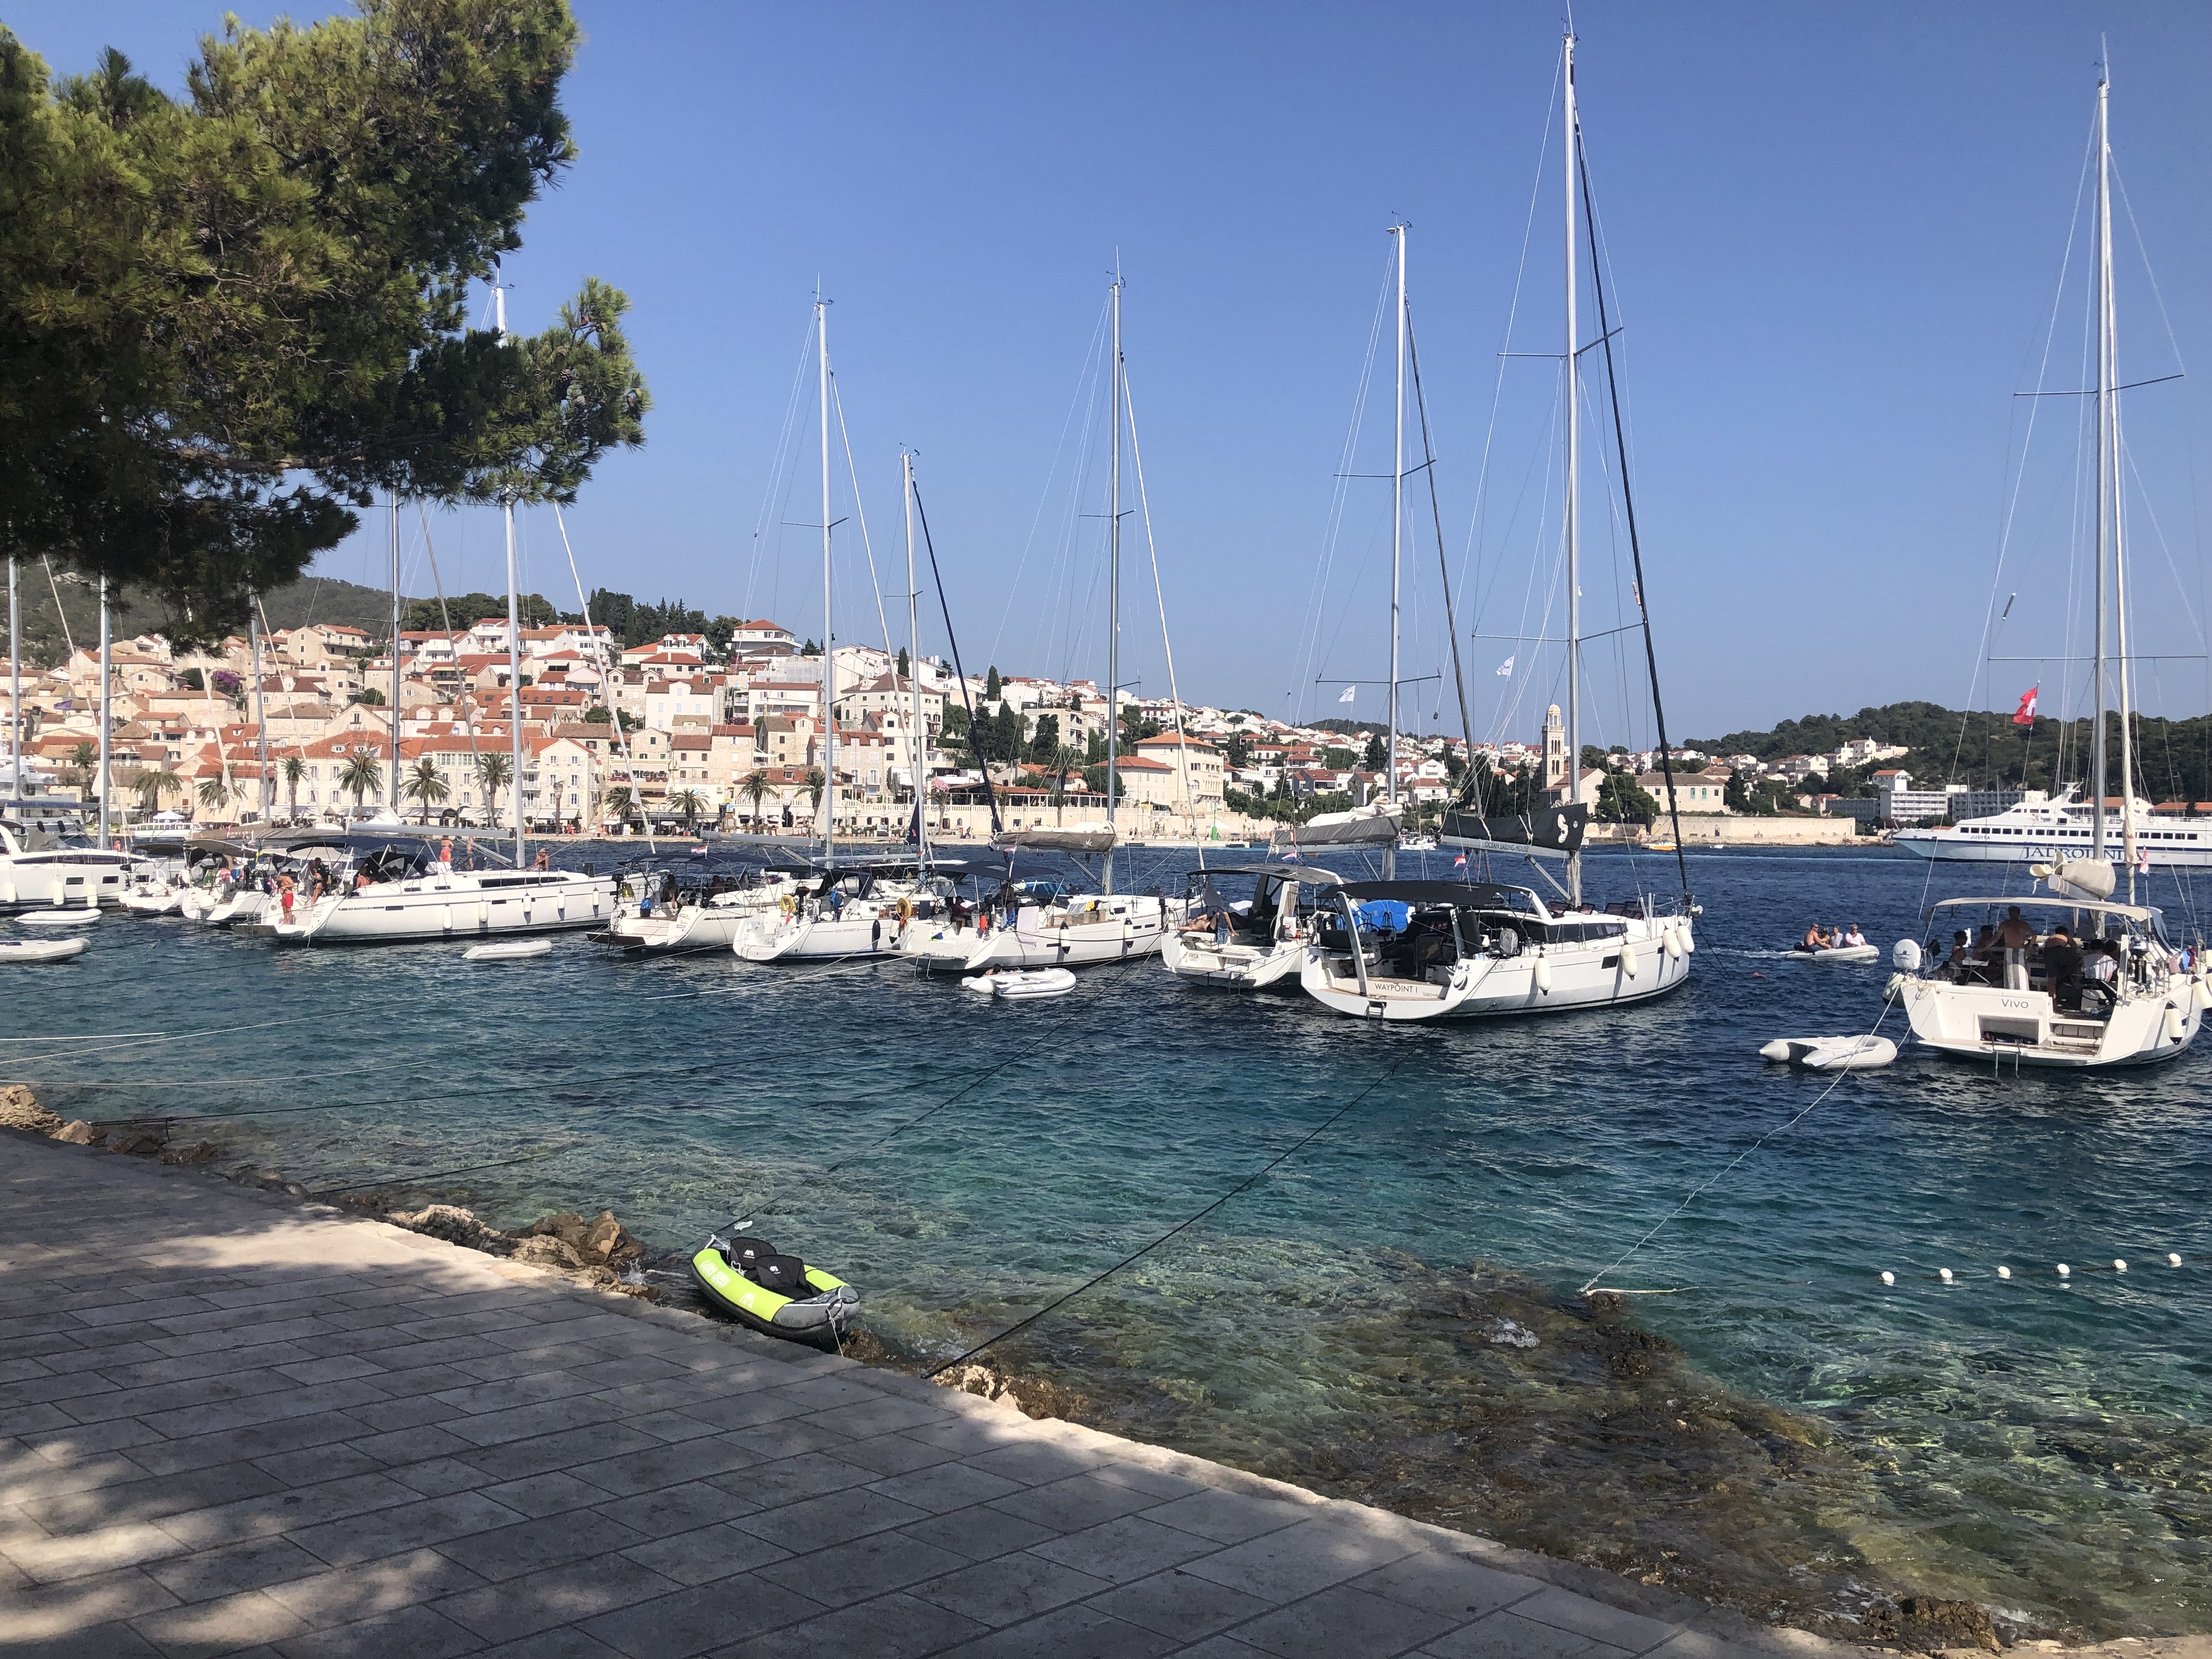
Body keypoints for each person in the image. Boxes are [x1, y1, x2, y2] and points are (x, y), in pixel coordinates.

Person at [2041, 925, 2084, 1012]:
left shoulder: (2050, 938)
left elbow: (2044, 949)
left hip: (2047, 954)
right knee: (2079, 959)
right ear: (2065, 933)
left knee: (2052, 982)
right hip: (2059, 951)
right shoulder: (2065, 936)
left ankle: (2053, 1006)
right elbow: (2075, 947)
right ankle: (2069, 977)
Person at [1992, 905, 2035, 990]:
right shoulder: (2023, 925)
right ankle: (2023, 990)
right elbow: (2034, 936)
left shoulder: (2005, 924)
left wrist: (1984, 948)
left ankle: (2011, 991)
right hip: (2020, 950)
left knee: (2010, 973)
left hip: (2010, 950)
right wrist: (2029, 948)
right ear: (2019, 913)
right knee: (2020, 972)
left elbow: (1995, 939)